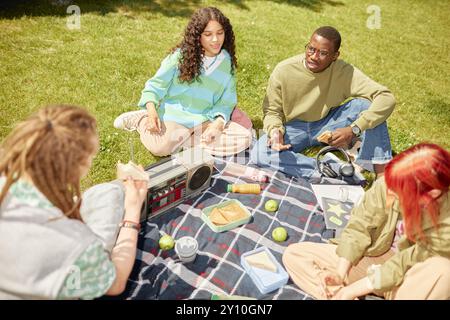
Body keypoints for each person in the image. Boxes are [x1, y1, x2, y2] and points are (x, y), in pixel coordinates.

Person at [0, 105, 148, 299]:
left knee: (107, 193)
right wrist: (132, 211)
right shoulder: (76, 244)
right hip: (64, 271)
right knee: (109, 193)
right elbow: (116, 284)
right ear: (77, 168)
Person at [282, 143, 450, 300]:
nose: (389, 195)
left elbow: (403, 264)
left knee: (443, 273)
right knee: (295, 255)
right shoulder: (393, 182)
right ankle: (337, 294)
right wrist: (339, 274)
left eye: (399, 193)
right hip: (373, 258)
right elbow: (360, 224)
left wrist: (352, 290)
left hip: (409, 279)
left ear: (432, 195)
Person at [250, 26, 395, 179]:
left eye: (323, 53)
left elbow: (386, 98)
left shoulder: (344, 71)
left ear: (335, 56)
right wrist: (275, 131)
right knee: (260, 153)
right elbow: (272, 111)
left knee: (368, 107)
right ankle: (331, 169)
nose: (314, 56)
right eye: (311, 49)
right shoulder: (284, 70)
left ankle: (382, 177)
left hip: (329, 122)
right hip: (294, 128)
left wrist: (354, 129)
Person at [113, 7, 252, 157]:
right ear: (198, 36)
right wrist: (152, 112)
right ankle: (141, 120)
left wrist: (217, 125)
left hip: (205, 120)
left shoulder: (226, 61)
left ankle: (184, 141)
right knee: (161, 149)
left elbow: (226, 101)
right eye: (208, 34)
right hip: (175, 118)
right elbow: (155, 86)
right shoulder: (179, 57)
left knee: (244, 138)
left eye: (220, 33)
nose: (215, 40)